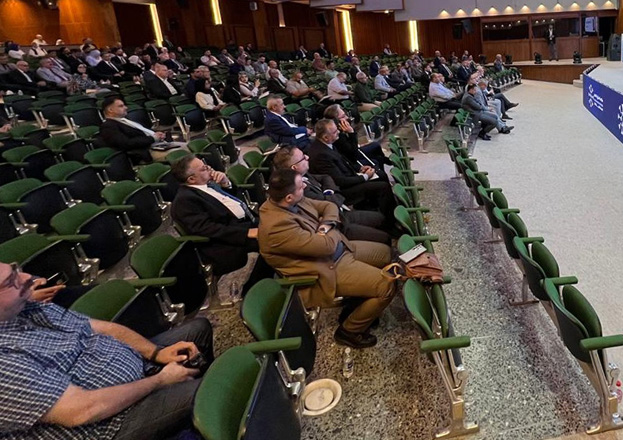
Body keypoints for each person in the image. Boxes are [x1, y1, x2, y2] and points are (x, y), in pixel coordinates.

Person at [0, 261, 212, 440]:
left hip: (137, 370)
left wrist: (155, 353)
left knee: (197, 331)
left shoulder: (26, 307)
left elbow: (99, 327)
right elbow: (82, 410)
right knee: (210, 393)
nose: (27, 278)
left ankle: (204, 428)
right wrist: (160, 381)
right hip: (108, 425)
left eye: (16, 270)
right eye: (10, 281)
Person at [257, 169, 395, 348]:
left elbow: (329, 206)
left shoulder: (292, 200)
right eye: (300, 186)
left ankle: (357, 301)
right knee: (388, 285)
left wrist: (325, 227)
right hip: (326, 269)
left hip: (339, 250)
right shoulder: (277, 227)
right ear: (289, 197)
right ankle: (349, 331)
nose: (305, 185)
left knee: (385, 254)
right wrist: (332, 227)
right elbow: (326, 246)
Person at [170, 155, 273, 288]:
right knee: (275, 240)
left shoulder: (209, 185)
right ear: (191, 179)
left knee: (283, 223)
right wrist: (246, 232)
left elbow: (234, 201)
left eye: (206, 165)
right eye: (203, 168)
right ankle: (254, 287)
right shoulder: (184, 201)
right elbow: (207, 229)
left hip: (245, 223)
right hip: (225, 240)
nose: (209, 168)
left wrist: (226, 183)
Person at [271, 146, 389, 244]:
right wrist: (332, 194)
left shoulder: (304, 174)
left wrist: (328, 191)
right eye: (303, 157)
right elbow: (332, 202)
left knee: (381, 219)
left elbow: (326, 177)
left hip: (342, 211)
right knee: (384, 238)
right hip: (338, 224)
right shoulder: (299, 190)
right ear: (294, 168)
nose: (307, 157)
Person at [308, 119, 396, 218]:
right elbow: (339, 181)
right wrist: (365, 177)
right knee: (383, 187)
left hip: (348, 178)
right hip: (342, 191)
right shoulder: (321, 155)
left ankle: (377, 208)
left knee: (380, 174)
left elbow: (344, 161)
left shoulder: (326, 144)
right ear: (325, 137)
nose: (338, 132)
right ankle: (389, 220)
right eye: (335, 132)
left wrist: (360, 168)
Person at [99, 97, 167, 164]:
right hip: (145, 153)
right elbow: (126, 143)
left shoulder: (125, 120)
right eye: (121, 106)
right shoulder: (108, 126)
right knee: (173, 155)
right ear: (110, 110)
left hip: (157, 146)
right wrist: (153, 138)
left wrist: (156, 134)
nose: (126, 108)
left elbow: (142, 132)